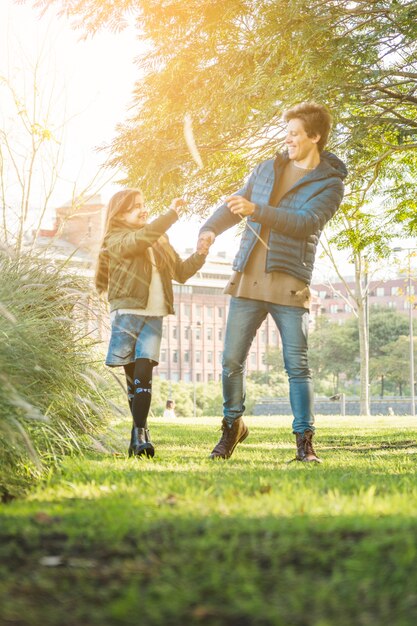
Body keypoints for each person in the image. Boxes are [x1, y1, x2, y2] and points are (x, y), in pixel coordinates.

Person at [197, 102, 347, 463]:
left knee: (297, 365)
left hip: (289, 281)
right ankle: (232, 426)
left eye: (295, 133)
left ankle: (304, 442)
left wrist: (257, 211)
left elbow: (305, 222)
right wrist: (209, 229)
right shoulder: (266, 169)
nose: (288, 138)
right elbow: (239, 203)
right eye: (287, 132)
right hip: (248, 277)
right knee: (231, 360)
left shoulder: (330, 184)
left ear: (315, 136)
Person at [95, 188, 207, 458]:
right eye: (136, 207)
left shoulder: (159, 238)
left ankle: (139, 437)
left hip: (155, 315)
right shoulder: (116, 238)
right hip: (127, 312)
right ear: (120, 213)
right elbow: (139, 240)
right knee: (134, 379)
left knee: (144, 373)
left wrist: (201, 253)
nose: (143, 209)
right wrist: (171, 214)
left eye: (144, 204)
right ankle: (139, 436)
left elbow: (180, 272)